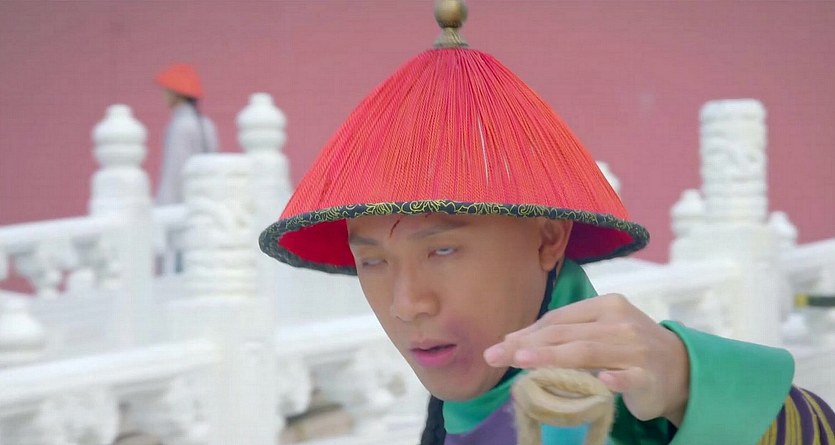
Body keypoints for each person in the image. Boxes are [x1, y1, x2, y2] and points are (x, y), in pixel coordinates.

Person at [258, 2, 835, 444]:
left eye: (442, 250)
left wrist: (689, 383)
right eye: (372, 261)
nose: (407, 304)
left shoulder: (633, 406)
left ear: (549, 237)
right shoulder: (465, 405)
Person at [153, 63, 219, 205]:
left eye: (166, 91)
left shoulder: (179, 126)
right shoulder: (206, 124)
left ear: (176, 94)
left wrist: (162, 207)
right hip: (205, 199)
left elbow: (174, 171)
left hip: (181, 203)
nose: (163, 95)